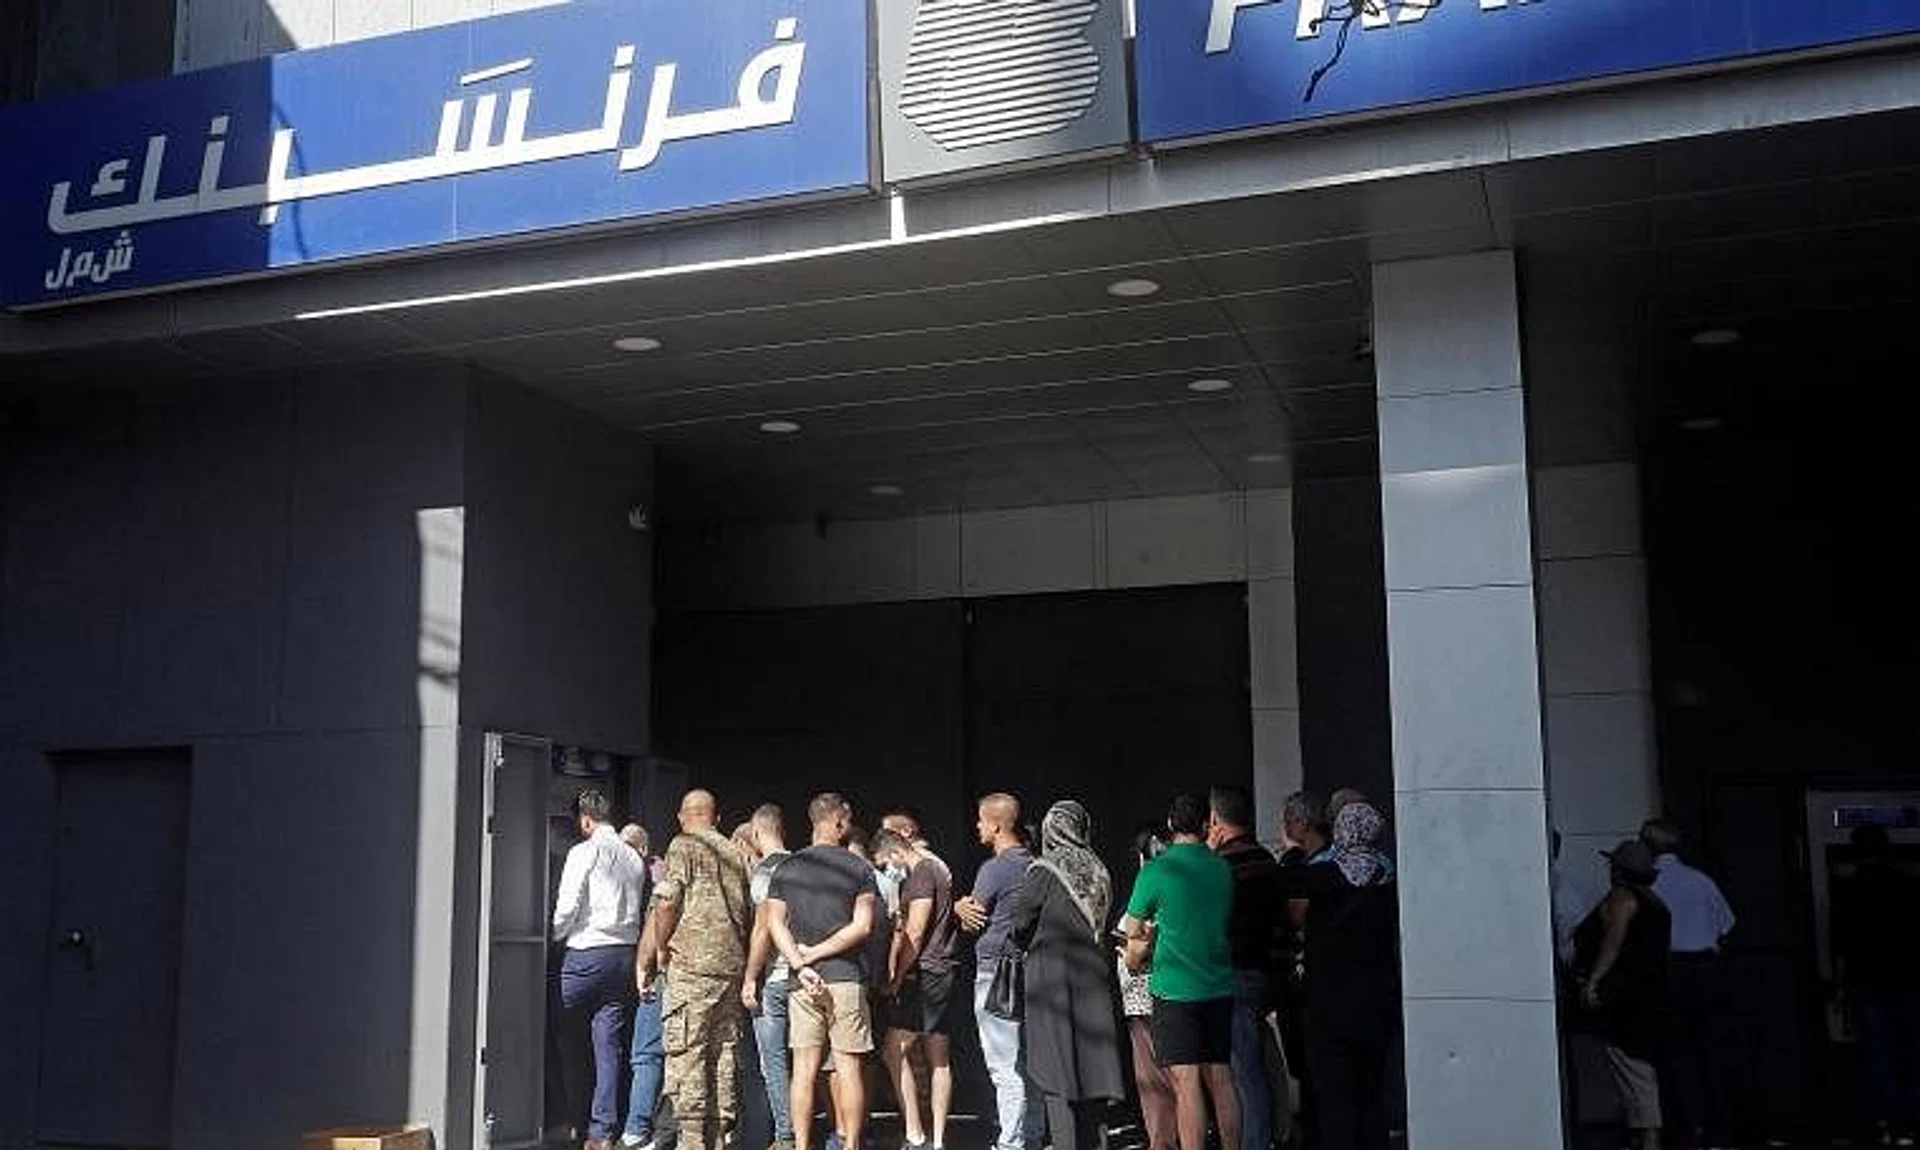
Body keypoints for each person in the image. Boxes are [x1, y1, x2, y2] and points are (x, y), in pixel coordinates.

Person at [1268, 800, 1400, 1150]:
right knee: (1371, 1095)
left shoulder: (1326, 875)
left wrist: (1293, 852)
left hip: (1330, 1005)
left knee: (1334, 1099)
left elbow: (1282, 884)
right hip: (1377, 1003)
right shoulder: (1388, 877)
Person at [637, 790, 754, 1150]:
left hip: (690, 967)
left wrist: (659, 948)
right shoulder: (737, 852)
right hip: (730, 968)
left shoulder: (682, 845)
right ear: (716, 818)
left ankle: (691, 1140)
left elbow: (668, 901)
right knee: (723, 1053)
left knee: (688, 1054)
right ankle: (720, 1136)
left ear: (681, 816)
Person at [1008, 801, 1128, 1150]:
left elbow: (1020, 922)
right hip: (1094, 980)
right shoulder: (1099, 870)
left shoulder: (1044, 870)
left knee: (1057, 1071)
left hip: (1053, 983)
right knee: (1092, 1072)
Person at [1124, 792, 1241, 1150]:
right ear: (1206, 823)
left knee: (1185, 1080)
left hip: (1174, 987)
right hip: (1219, 982)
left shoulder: (1158, 870)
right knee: (1221, 1076)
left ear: (1171, 825)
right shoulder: (1221, 866)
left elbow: (1133, 928)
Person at [769, 793, 879, 1150]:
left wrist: (801, 963)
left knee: (803, 1070)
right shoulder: (859, 868)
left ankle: (801, 1146)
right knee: (849, 1068)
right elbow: (862, 927)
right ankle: (851, 1146)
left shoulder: (785, 868)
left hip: (802, 982)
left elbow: (775, 924)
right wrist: (819, 953)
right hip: (845, 977)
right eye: (846, 821)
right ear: (837, 823)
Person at [553, 791, 650, 1150]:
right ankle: (602, 1131)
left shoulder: (584, 851)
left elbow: (567, 906)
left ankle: (564, 1118)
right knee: (608, 1045)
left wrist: (549, 937)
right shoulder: (633, 857)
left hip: (584, 955)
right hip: (623, 955)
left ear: (585, 820)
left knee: (555, 1029)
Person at [1640, 819, 1735, 1150]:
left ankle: (1683, 1127)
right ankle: (1719, 1129)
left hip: (1668, 970)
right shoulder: (1700, 881)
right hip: (1705, 967)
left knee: (1672, 1055)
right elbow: (1726, 924)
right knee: (1710, 1052)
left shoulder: (1648, 885)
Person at [955, 792, 1041, 1150]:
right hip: (1030, 972)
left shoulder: (994, 869)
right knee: (1029, 1062)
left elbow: (972, 921)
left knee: (1002, 1064)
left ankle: (1010, 1141)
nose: (977, 826)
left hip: (994, 973)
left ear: (995, 824)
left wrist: (961, 906)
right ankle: (1033, 1134)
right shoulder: (1036, 865)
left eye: (980, 820)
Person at [1574, 839, 1673, 1150]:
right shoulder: (1656, 904)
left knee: (1634, 1068)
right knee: (1640, 1065)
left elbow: (1613, 942)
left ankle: (1648, 1135)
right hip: (1650, 995)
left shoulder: (1622, 899)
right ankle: (1643, 1134)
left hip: (1624, 999)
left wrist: (1593, 981)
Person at [873, 827, 961, 1150]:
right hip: (945, 969)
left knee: (893, 1050)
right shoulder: (938, 868)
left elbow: (915, 931)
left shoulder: (922, 874)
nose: (887, 871)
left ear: (896, 852)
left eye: (884, 864)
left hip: (926, 973)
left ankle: (915, 1133)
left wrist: (896, 977)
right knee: (939, 1056)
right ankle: (937, 1140)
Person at [1831, 824, 1920, 1146]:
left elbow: (1841, 945)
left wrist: (1839, 989)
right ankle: (1914, 1119)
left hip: (1866, 982)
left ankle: (1895, 1124)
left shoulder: (1848, 889)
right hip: (1910, 979)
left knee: (1879, 1057)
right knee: (1912, 1053)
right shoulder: (1910, 884)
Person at [1208, 786, 1285, 1150]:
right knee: (1258, 1063)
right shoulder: (1267, 861)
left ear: (1215, 822)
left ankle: (1254, 1141)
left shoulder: (1223, 867)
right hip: (1263, 970)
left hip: (1232, 972)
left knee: (1242, 1070)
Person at [1276, 790, 1331, 1148]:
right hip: (1314, 975)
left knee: (1313, 1061)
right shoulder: (1317, 861)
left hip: (1312, 976)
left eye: (1287, 820)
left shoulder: (1310, 867)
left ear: (1301, 823)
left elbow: (1293, 916)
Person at [742, 805, 798, 1150]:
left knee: (773, 1061)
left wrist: (750, 976)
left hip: (775, 977)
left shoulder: (765, 872)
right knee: (810, 1062)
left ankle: (785, 1136)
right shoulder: (804, 864)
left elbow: (763, 929)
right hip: (806, 974)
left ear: (757, 833)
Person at [1120, 825, 1178, 1150]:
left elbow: (1137, 947)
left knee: (1153, 1080)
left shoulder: (1148, 888)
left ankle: (1163, 1143)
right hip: (1180, 992)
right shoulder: (1184, 888)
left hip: (1144, 996)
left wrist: (1128, 956)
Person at [618, 825, 665, 1150]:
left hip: (653, 975)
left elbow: (656, 922)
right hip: (657, 972)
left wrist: (645, 965)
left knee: (646, 1053)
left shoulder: (659, 879)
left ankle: (637, 1128)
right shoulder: (662, 872)